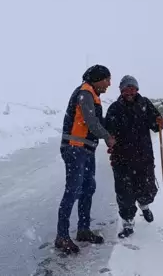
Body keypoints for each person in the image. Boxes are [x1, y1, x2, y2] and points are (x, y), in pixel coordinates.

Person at [55, 64, 116, 254]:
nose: (109, 84)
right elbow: (91, 121)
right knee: (73, 190)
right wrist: (107, 137)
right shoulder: (85, 93)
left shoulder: (93, 95)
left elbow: (98, 122)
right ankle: (62, 236)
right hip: (75, 149)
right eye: (106, 79)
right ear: (98, 79)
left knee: (88, 188)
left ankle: (83, 229)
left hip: (86, 150)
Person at [104, 75, 163, 238]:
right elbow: (107, 131)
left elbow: (155, 126)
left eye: (132, 89)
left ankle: (144, 206)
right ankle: (128, 223)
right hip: (122, 159)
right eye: (126, 89)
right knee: (125, 193)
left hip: (144, 156)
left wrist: (159, 122)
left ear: (137, 90)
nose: (129, 92)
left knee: (146, 188)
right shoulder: (115, 108)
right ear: (121, 91)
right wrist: (110, 140)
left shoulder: (145, 104)